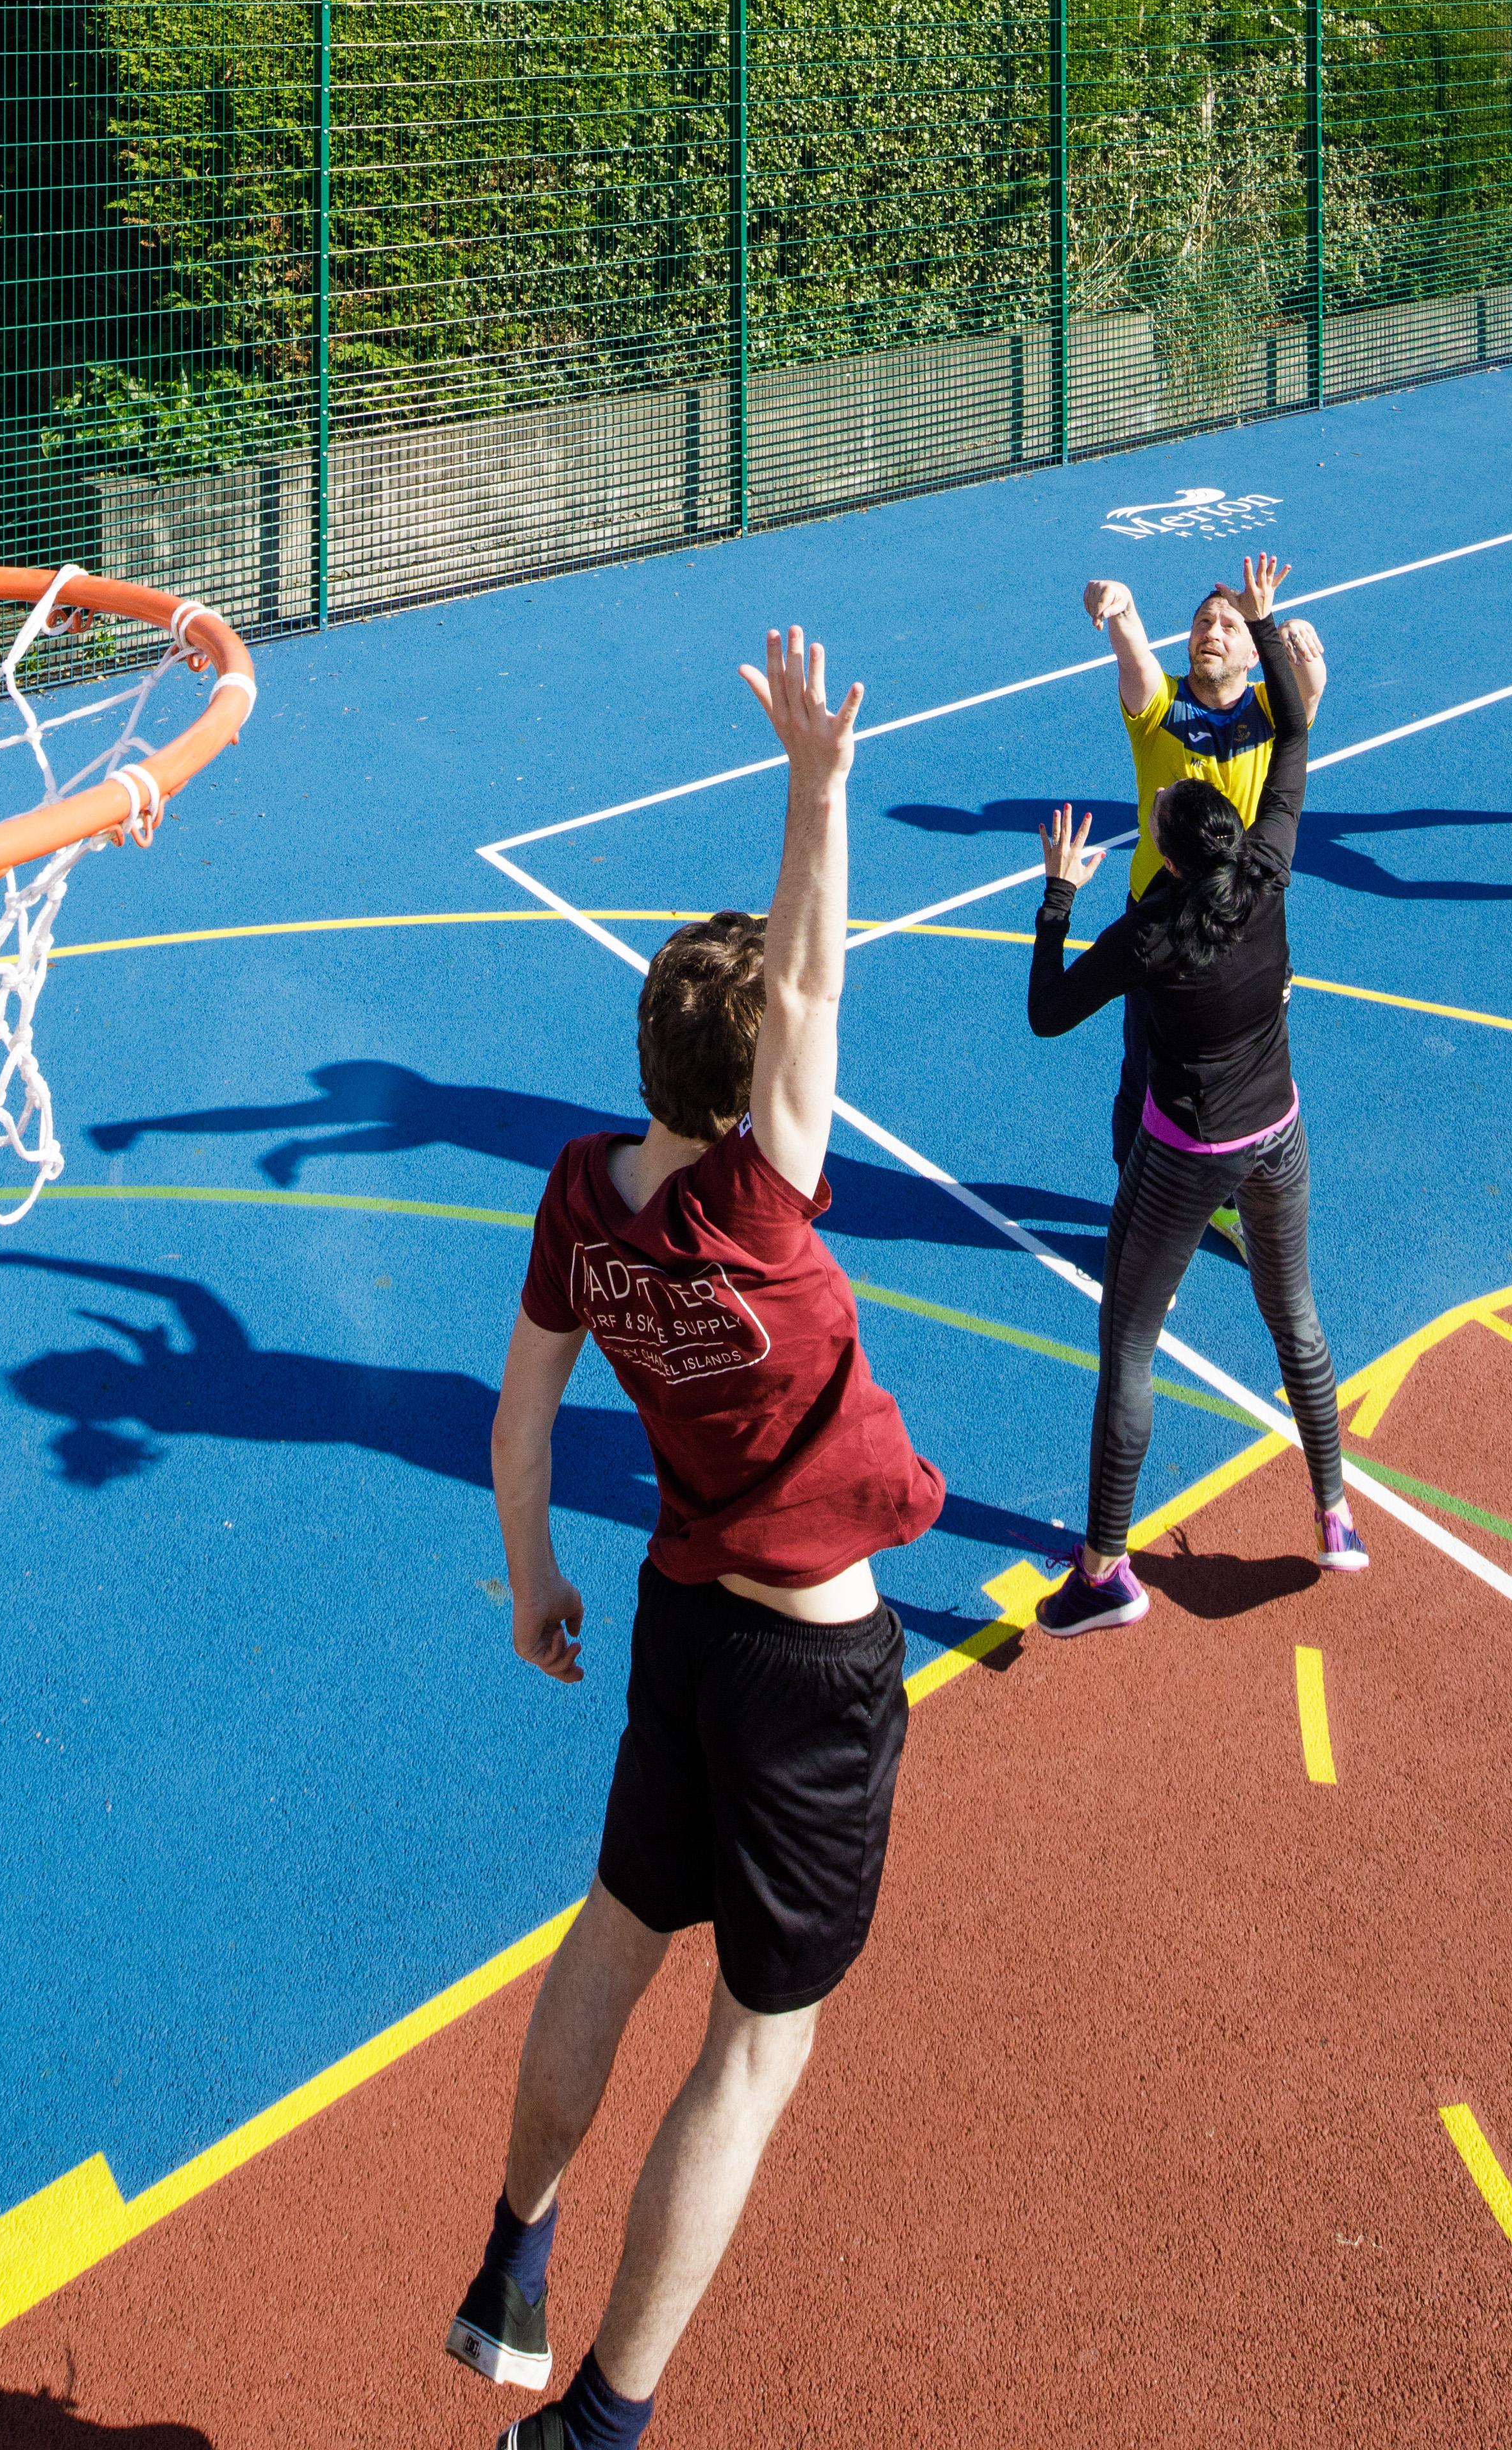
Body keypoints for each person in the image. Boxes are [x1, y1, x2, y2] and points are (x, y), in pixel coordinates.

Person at [447, 627, 945, 2450]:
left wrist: (534, 1585)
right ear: (751, 1092)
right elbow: (811, 993)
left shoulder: (587, 1197)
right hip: (808, 1661)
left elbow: (520, 1419)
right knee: (757, 2042)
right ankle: (592, 2429)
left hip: (669, 1620)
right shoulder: (762, 1200)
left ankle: (511, 2255)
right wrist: (818, 789)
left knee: (621, 1924)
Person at [1026, 553, 1364, 1637]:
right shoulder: (1268, 875)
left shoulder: (1145, 940)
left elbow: (1047, 1012)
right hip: (1283, 1128)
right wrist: (1270, 628)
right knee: (1296, 1319)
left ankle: (1107, 1570)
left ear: (1161, 851)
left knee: (1129, 1342)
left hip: (1190, 1151)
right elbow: (1303, 738)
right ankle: (1336, 1513)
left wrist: (1055, 901)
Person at [1078, 572, 1325, 1170]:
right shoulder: (1157, 707)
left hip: (1243, 922)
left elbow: (1310, 687)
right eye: (1202, 623)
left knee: (1243, 1072)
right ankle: (1134, 1191)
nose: (1211, 632)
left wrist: (1297, 637)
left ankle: (1229, 1196)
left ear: (1250, 654)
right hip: (1160, 921)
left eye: (1227, 625)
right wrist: (1121, 601)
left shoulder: (1270, 710)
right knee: (1144, 1070)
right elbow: (1131, 648)